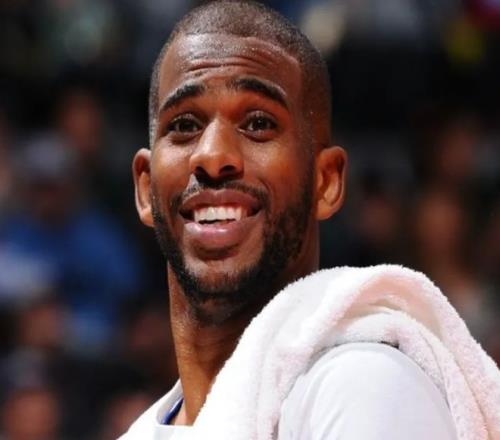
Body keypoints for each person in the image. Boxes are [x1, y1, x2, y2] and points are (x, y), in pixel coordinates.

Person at [121, 1, 500, 439]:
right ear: (145, 187)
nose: (213, 155)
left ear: (326, 182)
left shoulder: (361, 384)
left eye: (258, 123)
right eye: (185, 125)